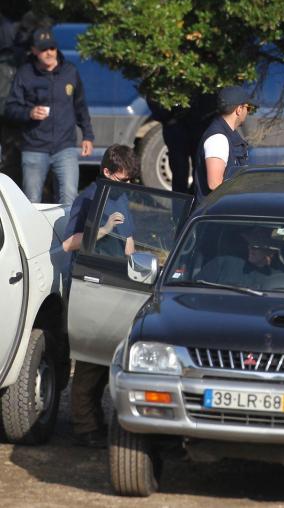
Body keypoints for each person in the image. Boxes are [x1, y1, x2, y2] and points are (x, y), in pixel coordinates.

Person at [61, 143, 139, 448]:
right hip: (90, 283)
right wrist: (103, 229)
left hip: (120, 282)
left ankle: (112, 424)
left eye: (131, 181)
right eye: (123, 180)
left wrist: (135, 269)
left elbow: (129, 240)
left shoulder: (121, 195)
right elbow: (69, 243)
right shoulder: (88, 199)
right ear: (106, 172)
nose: (128, 187)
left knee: (116, 355)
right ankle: (85, 426)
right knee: (90, 358)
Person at [4, 28, 94, 204]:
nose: (49, 53)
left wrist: (88, 135)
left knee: (69, 198)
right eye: (44, 49)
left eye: (52, 48)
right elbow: (10, 108)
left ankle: (66, 232)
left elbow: (80, 106)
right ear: (34, 51)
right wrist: (29, 113)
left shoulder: (70, 71)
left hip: (65, 146)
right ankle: (34, 232)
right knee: (32, 201)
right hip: (34, 148)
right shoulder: (25, 74)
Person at [193, 86, 253, 204]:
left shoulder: (227, 134)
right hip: (213, 214)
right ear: (239, 109)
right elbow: (215, 183)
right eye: (248, 108)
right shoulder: (218, 139)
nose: (248, 112)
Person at [197, 227, 281, 288]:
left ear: (270, 252)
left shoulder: (280, 278)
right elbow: (196, 288)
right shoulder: (222, 264)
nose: (251, 249)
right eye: (250, 244)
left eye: (256, 247)